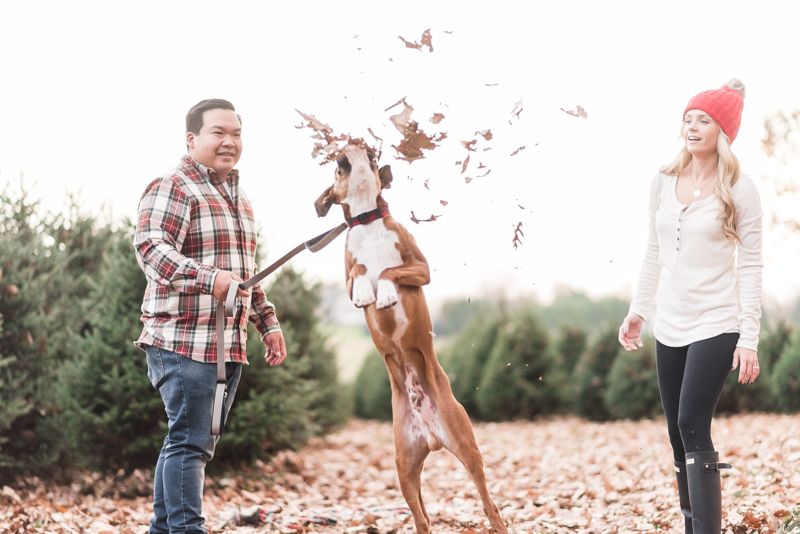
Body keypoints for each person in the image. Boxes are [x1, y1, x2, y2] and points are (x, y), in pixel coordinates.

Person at [134, 98, 287, 534]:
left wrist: (267, 322)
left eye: (236, 134)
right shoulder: (174, 186)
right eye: (218, 132)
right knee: (190, 442)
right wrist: (207, 277)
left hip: (226, 344)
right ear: (192, 139)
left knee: (190, 443)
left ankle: (166, 530)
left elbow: (246, 274)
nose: (229, 141)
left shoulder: (240, 199)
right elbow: (151, 249)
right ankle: (186, 530)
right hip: (181, 340)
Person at [618, 79, 762, 534]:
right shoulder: (663, 180)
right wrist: (639, 308)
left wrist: (749, 337)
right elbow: (653, 250)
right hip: (671, 323)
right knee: (675, 433)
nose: (693, 127)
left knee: (691, 421)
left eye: (704, 120)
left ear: (723, 131)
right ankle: (693, 526)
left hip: (718, 322)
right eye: (688, 119)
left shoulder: (740, 188)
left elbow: (752, 265)